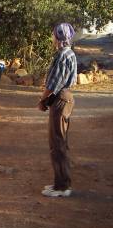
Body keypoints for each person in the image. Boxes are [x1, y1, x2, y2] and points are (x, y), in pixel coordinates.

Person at [38, 23, 77, 197]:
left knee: (58, 143)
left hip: (60, 99)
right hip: (65, 98)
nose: (52, 37)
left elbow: (54, 83)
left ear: (59, 37)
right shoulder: (69, 53)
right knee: (59, 142)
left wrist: (42, 99)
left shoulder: (62, 55)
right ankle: (60, 183)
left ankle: (62, 187)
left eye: (54, 34)